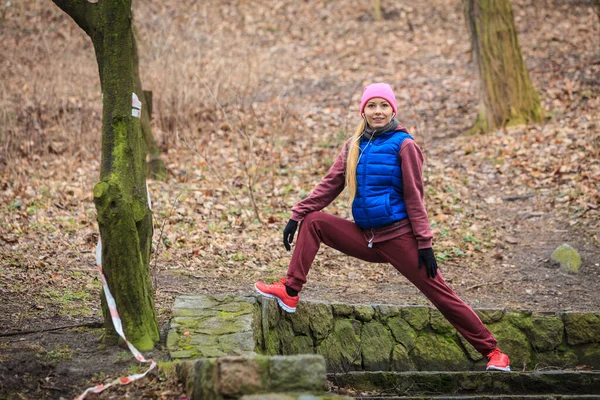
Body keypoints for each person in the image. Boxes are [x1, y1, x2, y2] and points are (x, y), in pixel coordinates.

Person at [254, 83, 510, 372]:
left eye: (383, 105)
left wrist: (424, 242)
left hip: (399, 238)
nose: (378, 111)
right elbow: (330, 185)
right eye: (372, 105)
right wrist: (297, 214)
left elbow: (415, 197)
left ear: (393, 109)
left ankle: (493, 351)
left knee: (440, 293)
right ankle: (290, 290)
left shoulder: (405, 145)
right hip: (365, 237)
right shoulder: (354, 145)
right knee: (314, 222)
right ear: (363, 110)